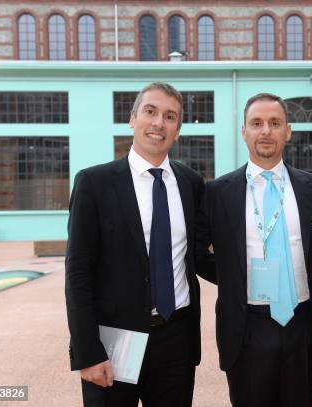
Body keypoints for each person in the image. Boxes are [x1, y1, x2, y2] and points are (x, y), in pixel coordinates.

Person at [65, 82, 214, 407]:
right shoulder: (94, 183)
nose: (159, 122)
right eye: (151, 111)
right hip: (118, 338)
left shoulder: (190, 183)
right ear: (133, 118)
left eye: (170, 116)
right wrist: (88, 351)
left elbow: (199, 256)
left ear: (178, 129)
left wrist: (257, 273)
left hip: (176, 337)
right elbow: (78, 273)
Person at [196, 93, 312, 406]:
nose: (266, 131)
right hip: (246, 327)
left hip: (301, 324)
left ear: (288, 131)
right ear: (243, 131)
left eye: (275, 123)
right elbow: (196, 252)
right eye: (256, 123)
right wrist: (234, 279)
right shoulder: (218, 193)